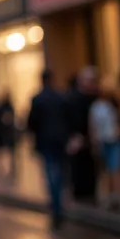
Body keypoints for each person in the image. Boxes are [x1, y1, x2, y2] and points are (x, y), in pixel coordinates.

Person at [27, 70, 72, 227]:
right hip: (60, 141)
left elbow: (31, 123)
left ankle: (56, 205)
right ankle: (58, 204)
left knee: (51, 172)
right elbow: (69, 119)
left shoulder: (38, 99)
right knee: (59, 172)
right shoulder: (61, 97)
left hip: (46, 141)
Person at [65, 67, 99, 202]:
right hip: (79, 141)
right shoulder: (73, 98)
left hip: (90, 141)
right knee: (80, 172)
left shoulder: (95, 98)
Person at [89, 86, 120, 207]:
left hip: (113, 140)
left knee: (114, 169)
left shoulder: (113, 106)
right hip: (103, 141)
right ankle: (107, 196)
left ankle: (115, 196)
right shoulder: (96, 107)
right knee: (105, 170)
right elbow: (93, 125)